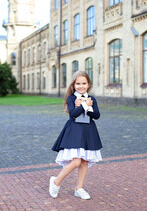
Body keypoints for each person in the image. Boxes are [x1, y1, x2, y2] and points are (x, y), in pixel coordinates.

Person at [49, 70, 102, 200]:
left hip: (88, 131)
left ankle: (79, 188)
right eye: (78, 83)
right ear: (74, 84)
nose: (81, 86)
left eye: (84, 83)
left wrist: (87, 106)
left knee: (84, 161)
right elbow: (73, 114)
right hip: (75, 131)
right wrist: (84, 105)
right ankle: (56, 181)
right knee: (76, 161)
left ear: (88, 84)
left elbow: (97, 115)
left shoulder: (92, 99)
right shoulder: (71, 98)